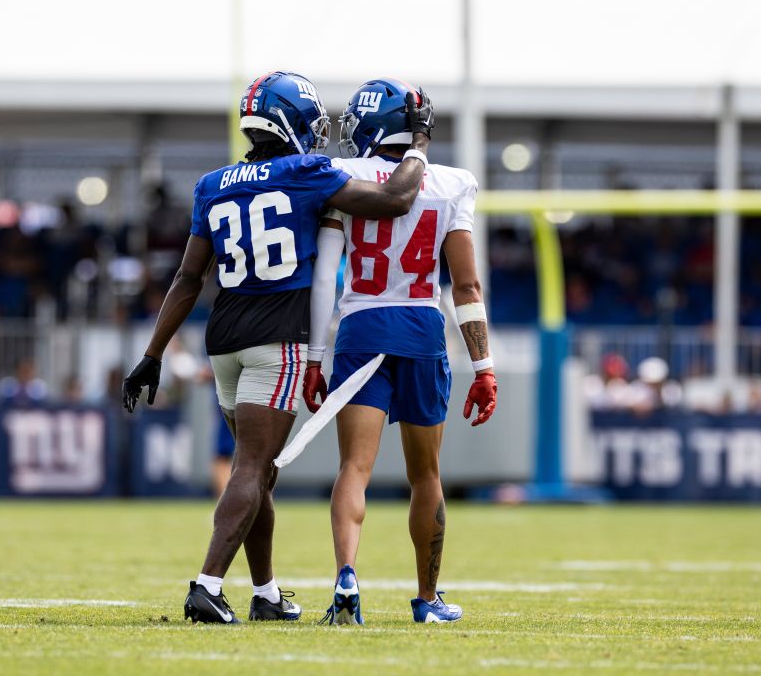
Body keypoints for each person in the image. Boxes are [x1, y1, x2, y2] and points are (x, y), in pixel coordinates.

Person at [120, 70, 435, 624]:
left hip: (225, 339)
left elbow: (188, 279)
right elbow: (394, 199)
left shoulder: (213, 183)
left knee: (258, 471)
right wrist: (418, 147)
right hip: (277, 336)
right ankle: (208, 585)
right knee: (252, 466)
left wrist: (153, 353)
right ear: (291, 122)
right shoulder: (306, 172)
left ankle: (265, 593)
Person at [303, 78, 497, 626]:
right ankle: (428, 599)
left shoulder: (341, 178)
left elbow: (326, 276)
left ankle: (346, 577)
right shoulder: (453, 183)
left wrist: (316, 357)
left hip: (362, 326)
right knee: (426, 475)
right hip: (420, 329)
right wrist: (483, 367)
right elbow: (466, 287)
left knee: (353, 468)